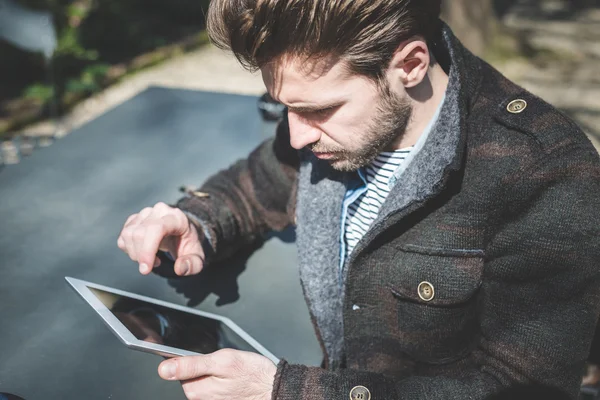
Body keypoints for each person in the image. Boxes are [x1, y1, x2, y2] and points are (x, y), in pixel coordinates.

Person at [117, 0, 600, 399]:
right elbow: (255, 183)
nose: (296, 136)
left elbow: (521, 389)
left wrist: (289, 392)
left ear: (409, 64)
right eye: (283, 107)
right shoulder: (325, 126)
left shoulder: (542, 171)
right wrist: (197, 222)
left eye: (318, 109)